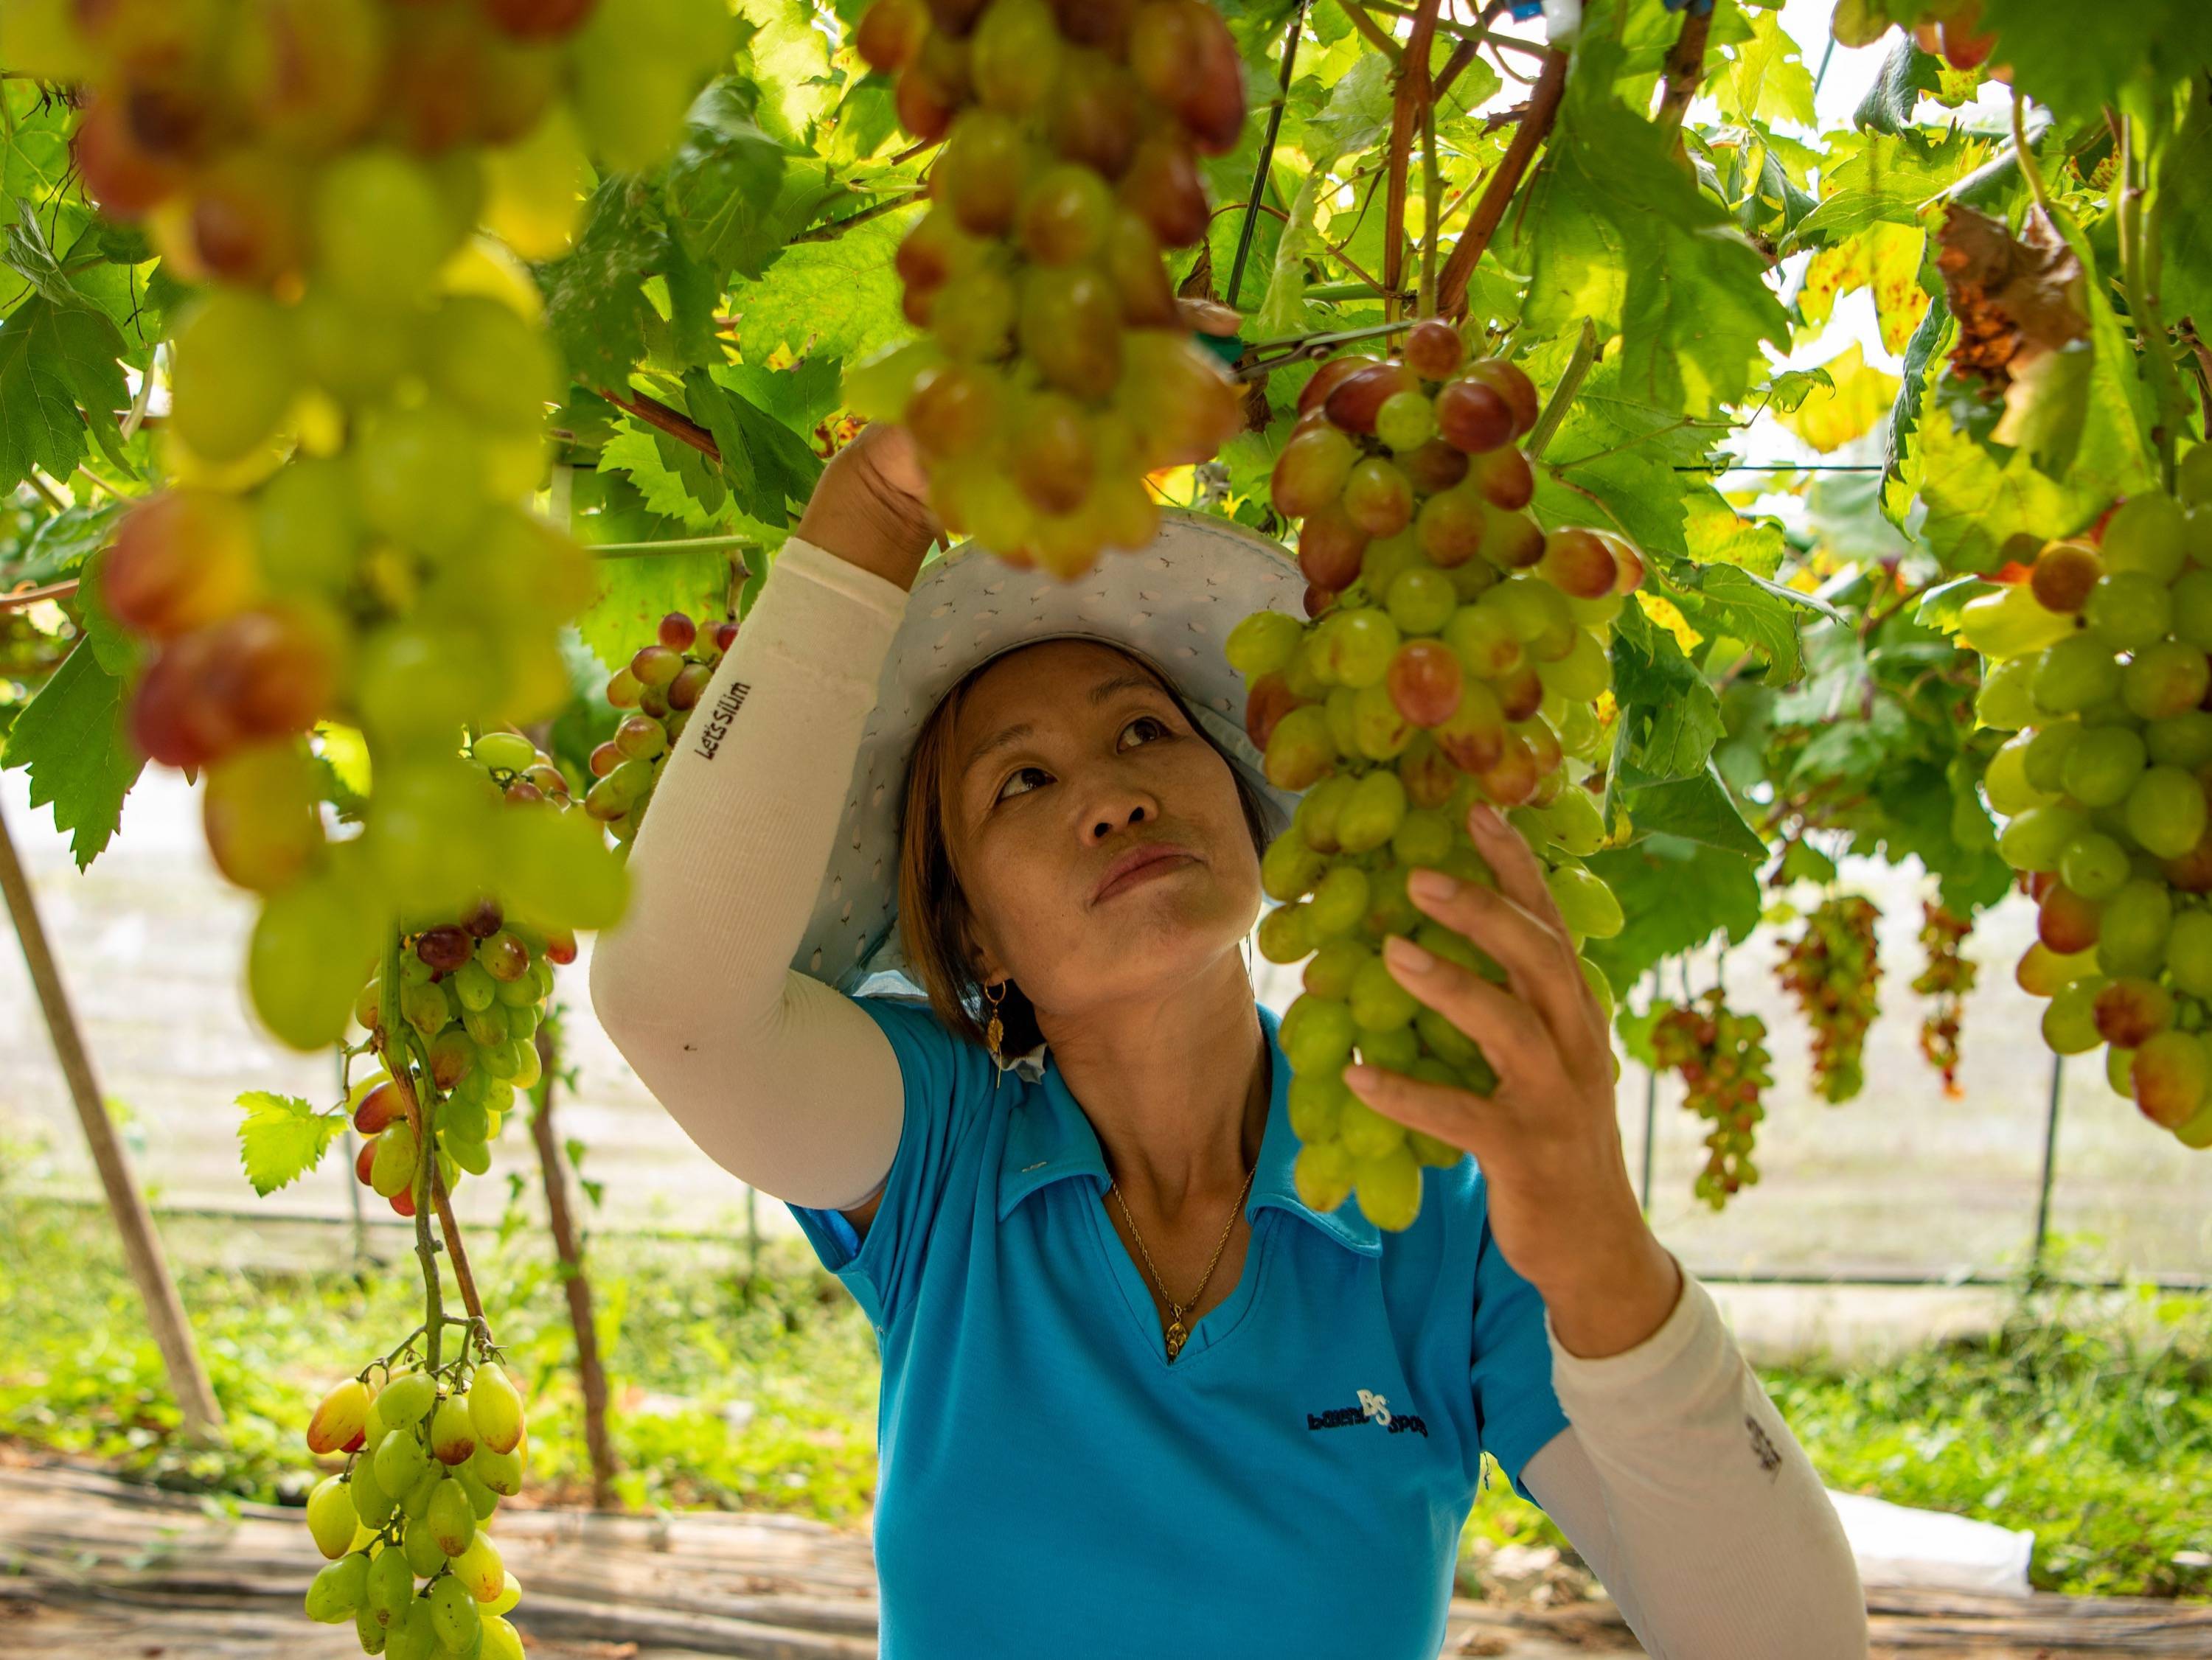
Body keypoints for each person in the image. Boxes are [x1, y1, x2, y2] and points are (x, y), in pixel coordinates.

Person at [589, 422, 1868, 1659]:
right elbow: (674, 1007)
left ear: (1258, 817)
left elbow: (1791, 1647)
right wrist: (876, 498)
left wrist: (1602, 1254)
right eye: (1019, 783)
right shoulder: (940, 1152)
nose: (1111, 792)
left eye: (1145, 729)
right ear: (972, 939)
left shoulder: (1438, 1210)